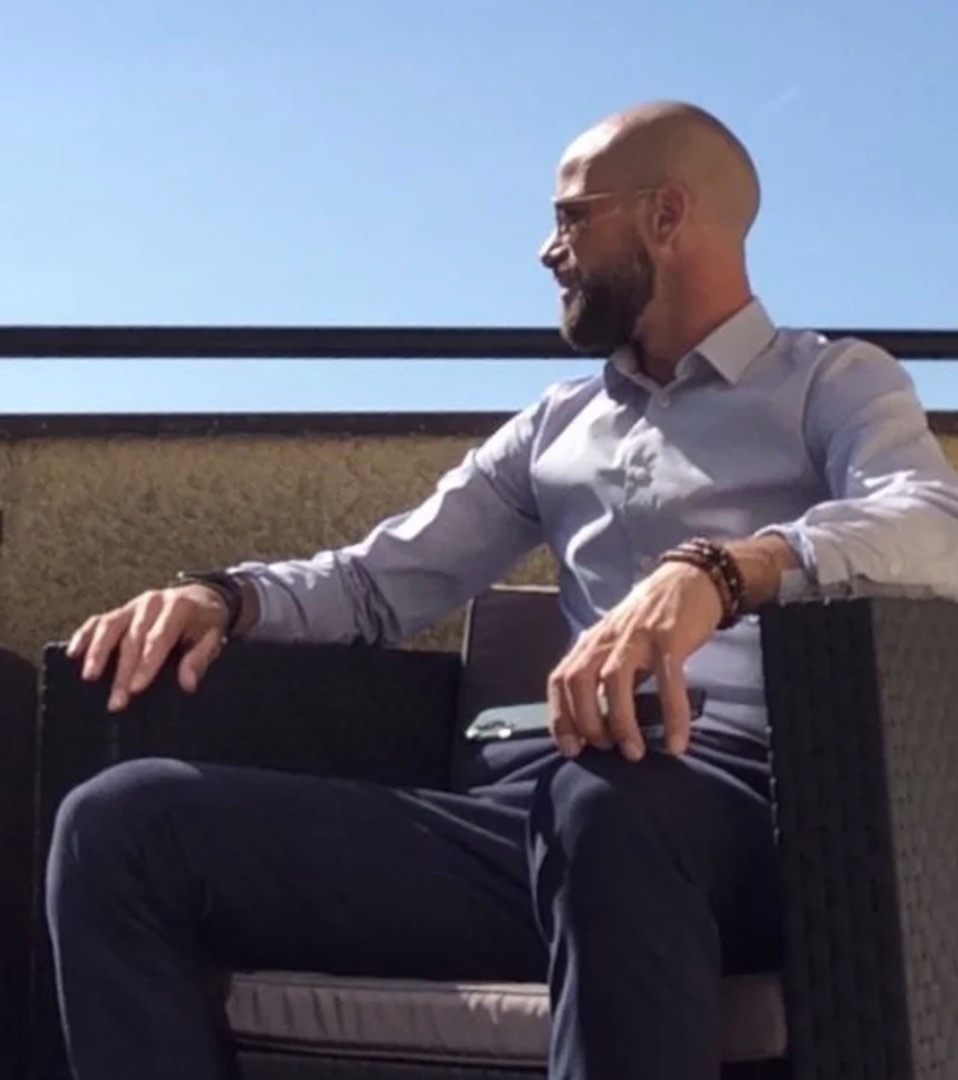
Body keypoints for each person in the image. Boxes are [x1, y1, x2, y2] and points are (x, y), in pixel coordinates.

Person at [48, 100, 958, 1080]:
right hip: (546, 815)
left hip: (762, 816)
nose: (545, 250)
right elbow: (378, 583)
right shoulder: (557, 426)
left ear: (665, 215)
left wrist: (726, 571)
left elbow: (932, 521)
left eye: (570, 218)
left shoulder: (829, 381)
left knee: (606, 803)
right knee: (123, 825)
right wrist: (227, 598)